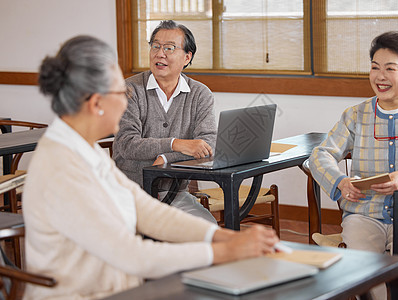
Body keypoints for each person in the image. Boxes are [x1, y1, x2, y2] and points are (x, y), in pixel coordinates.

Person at [22, 35, 279, 299]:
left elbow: (146, 210)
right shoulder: (62, 166)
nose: (126, 100)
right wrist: (224, 251)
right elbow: (130, 254)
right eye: (121, 94)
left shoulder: (86, 149)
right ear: (96, 103)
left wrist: (222, 237)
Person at [309, 31, 398, 300]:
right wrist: (340, 182)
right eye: (374, 68)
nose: (380, 76)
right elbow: (319, 155)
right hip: (364, 213)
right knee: (361, 265)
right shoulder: (355, 115)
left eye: (389, 68)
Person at [112, 20, 216, 223]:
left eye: (169, 48)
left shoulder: (200, 94)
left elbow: (207, 145)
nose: (160, 54)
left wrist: (167, 158)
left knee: (210, 232)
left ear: (187, 57)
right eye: (155, 46)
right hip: (130, 194)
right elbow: (127, 144)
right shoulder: (129, 90)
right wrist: (177, 144)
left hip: (175, 194)